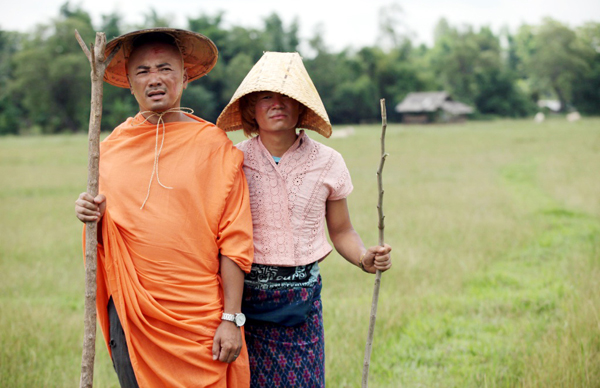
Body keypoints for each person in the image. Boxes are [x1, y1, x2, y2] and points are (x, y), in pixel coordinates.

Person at [75, 28, 253, 387]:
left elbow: (235, 242)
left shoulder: (215, 148)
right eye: (142, 71)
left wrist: (231, 318)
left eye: (165, 68)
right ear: (128, 81)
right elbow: (107, 235)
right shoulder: (110, 149)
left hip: (200, 317)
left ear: (185, 77)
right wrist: (89, 214)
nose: (154, 79)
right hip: (133, 314)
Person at [216, 52, 392, 388]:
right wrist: (230, 315)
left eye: (287, 97)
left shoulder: (328, 162)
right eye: (266, 97)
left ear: (301, 107)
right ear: (252, 108)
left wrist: (363, 257)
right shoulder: (232, 160)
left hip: (302, 303)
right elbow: (221, 238)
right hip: (243, 302)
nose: (277, 104)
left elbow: (341, 230)